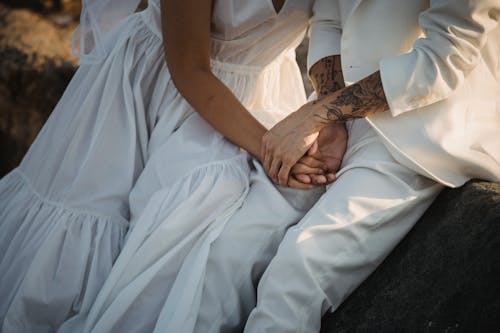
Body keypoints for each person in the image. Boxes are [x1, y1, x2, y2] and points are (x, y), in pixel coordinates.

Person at [0, 0, 343, 332]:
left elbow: (333, 24)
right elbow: (189, 69)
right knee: (80, 268)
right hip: (159, 90)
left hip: (265, 97)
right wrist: (274, 149)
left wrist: (328, 115)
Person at [242, 0, 500, 332]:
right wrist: (330, 117)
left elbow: (445, 57)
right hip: (340, 110)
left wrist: (318, 115)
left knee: (295, 273)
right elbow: (329, 17)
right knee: (233, 251)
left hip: (422, 126)